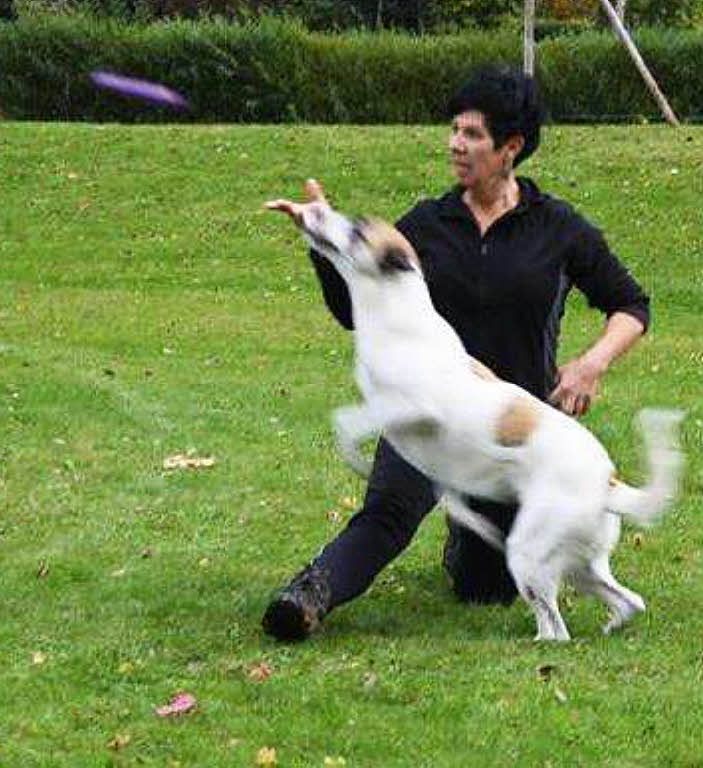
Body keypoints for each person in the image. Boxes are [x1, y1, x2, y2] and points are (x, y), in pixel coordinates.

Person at [262, 65, 651, 641]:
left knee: (485, 587)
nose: (455, 144)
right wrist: (321, 240)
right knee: (388, 513)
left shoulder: (558, 228)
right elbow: (352, 311)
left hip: (509, 431)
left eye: (471, 134)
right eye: (454, 130)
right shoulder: (426, 224)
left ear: (510, 148)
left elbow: (631, 305)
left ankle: (466, 537)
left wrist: (591, 364)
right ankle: (308, 594)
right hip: (425, 412)